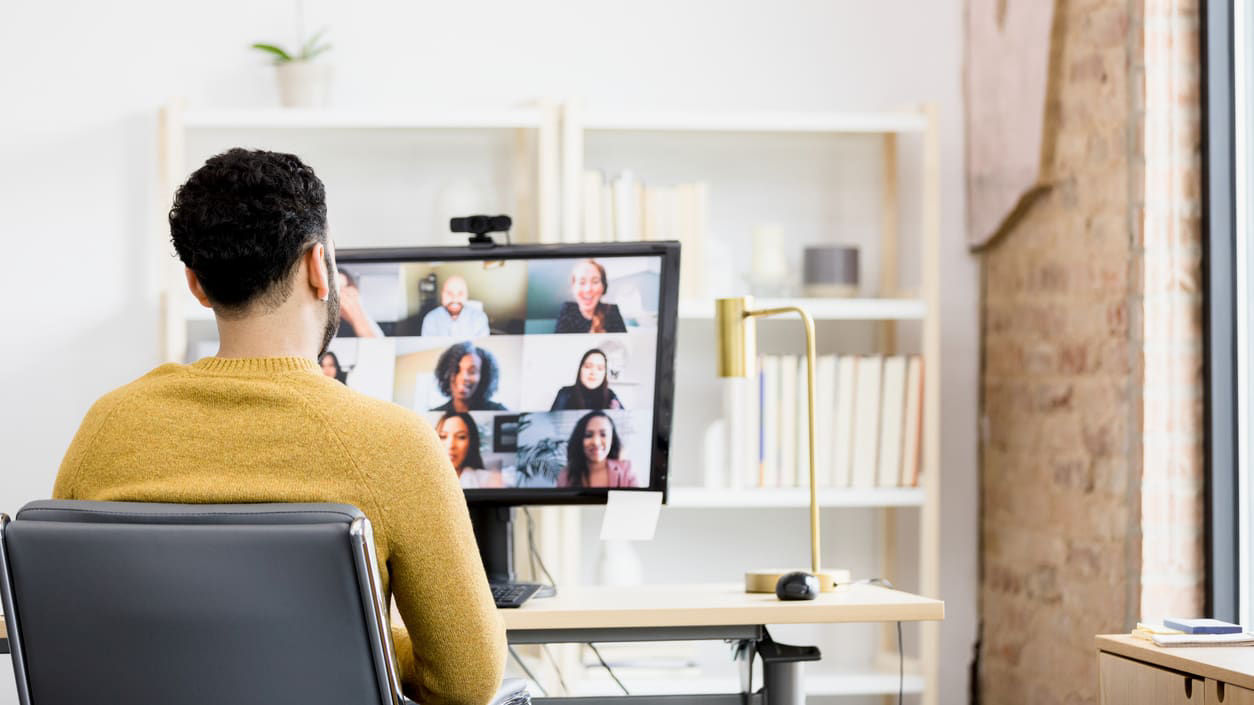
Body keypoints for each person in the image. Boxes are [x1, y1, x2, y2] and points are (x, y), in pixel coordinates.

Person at [51, 148, 504, 705]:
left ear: (196, 283)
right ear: (320, 267)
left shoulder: (109, 425)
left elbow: (71, 631)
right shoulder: (397, 445)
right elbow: (466, 681)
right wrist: (348, 635)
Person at [556, 410, 638, 488]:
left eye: (603, 434)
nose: (596, 442)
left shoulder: (626, 471)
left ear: (612, 439)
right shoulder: (565, 476)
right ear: (579, 440)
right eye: (588, 435)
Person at [394, 274, 490, 338]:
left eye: (460, 293)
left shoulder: (480, 318)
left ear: (466, 295)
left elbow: (482, 349)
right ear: (442, 295)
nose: (454, 298)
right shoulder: (430, 319)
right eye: (449, 293)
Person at [430, 341, 507, 412]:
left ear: (483, 377)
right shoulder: (434, 414)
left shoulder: (499, 412)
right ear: (446, 374)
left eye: (472, 371)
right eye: (456, 370)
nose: (464, 377)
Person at [554, 259, 627, 334]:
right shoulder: (568, 310)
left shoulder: (612, 311)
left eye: (595, 282)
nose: (588, 289)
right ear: (573, 287)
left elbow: (623, 343)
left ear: (603, 287)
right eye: (582, 282)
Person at [435, 412, 503, 489]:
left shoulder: (489, 480)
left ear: (471, 443)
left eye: (461, 437)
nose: (451, 445)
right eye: (443, 436)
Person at [550, 349, 623, 411]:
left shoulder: (610, 395)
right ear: (580, 370)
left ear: (605, 373)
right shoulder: (565, 393)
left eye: (600, 368)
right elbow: (552, 425)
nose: (593, 372)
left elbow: (624, 423)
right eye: (588, 366)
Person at [335, 269, 384, 338]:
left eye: (344, 289)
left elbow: (377, 343)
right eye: (336, 290)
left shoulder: (362, 314)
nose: (342, 296)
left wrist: (355, 315)